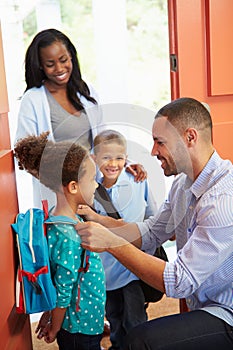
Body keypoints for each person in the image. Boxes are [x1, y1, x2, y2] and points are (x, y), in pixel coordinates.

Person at [76, 97, 233, 350]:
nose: (152, 151)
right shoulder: (183, 184)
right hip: (203, 305)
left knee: (140, 340)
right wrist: (102, 222)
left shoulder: (223, 201)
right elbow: (151, 233)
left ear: (190, 138)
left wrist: (111, 244)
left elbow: (179, 281)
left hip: (227, 313)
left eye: (160, 142)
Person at [14, 28, 146, 209]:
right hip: (60, 195)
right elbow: (24, 153)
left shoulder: (87, 91)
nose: (59, 69)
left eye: (63, 60)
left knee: (107, 230)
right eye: (50, 64)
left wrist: (123, 163)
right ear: (40, 66)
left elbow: (104, 139)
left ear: (72, 58)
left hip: (92, 187)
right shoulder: (33, 99)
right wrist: (62, 183)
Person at [14, 131, 106, 350]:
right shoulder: (69, 236)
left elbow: (59, 281)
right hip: (79, 328)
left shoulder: (63, 221)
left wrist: (48, 315)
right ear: (73, 187)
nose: (95, 186)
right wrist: (55, 327)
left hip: (85, 320)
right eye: (92, 180)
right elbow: (63, 291)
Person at [92, 129, 157, 349]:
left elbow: (152, 215)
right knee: (114, 316)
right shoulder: (89, 187)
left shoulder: (137, 180)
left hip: (132, 267)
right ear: (94, 158)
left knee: (135, 319)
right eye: (106, 158)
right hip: (106, 269)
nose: (113, 163)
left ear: (126, 158)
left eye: (119, 158)